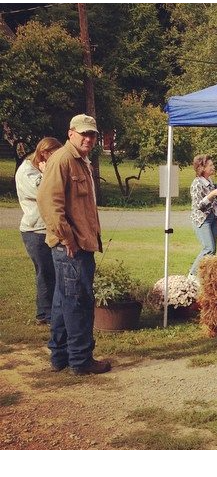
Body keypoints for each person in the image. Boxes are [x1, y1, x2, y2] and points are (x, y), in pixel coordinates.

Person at [37, 114, 111, 375]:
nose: (88, 138)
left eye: (92, 134)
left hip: (77, 245)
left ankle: (60, 356)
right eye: (84, 133)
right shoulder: (63, 160)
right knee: (78, 301)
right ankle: (81, 360)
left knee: (62, 301)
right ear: (71, 133)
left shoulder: (80, 160)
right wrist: (67, 238)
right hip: (72, 247)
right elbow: (49, 204)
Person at [15, 137, 63, 326]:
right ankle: (45, 314)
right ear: (44, 153)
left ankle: (51, 311)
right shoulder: (27, 171)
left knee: (54, 271)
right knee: (45, 271)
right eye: (54, 154)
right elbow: (46, 193)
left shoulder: (43, 169)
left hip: (48, 228)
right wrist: (46, 174)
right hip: (35, 230)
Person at [190, 154, 217, 278]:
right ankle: (192, 275)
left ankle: (204, 277)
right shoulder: (196, 184)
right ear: (202, 168)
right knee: (208, 248)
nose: (213, 167)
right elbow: (199, 206)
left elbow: (215, 201)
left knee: (213, 250)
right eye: (210, 165)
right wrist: (211, 196)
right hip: (202, 220)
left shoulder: (210, 181)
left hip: (213, 218)